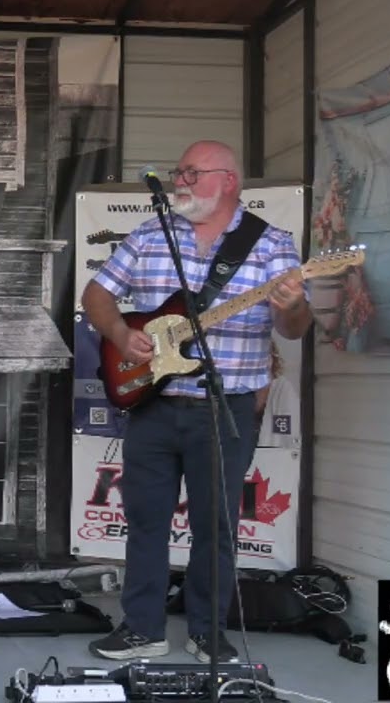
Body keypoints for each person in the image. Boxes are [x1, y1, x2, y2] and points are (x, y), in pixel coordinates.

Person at [81, 140, 312, 663]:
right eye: (177, 171)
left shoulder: (272, 244)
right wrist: (119, 333)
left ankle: (210, 632)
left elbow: (293, 329)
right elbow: (96, 295)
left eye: (191, 172)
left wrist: (293, 305)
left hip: (223, 407)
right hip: (152, 404)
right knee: (144, 521)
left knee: (216, 528)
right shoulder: (149, 232)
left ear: (227, 181)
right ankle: (142, 628)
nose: (179, 180)